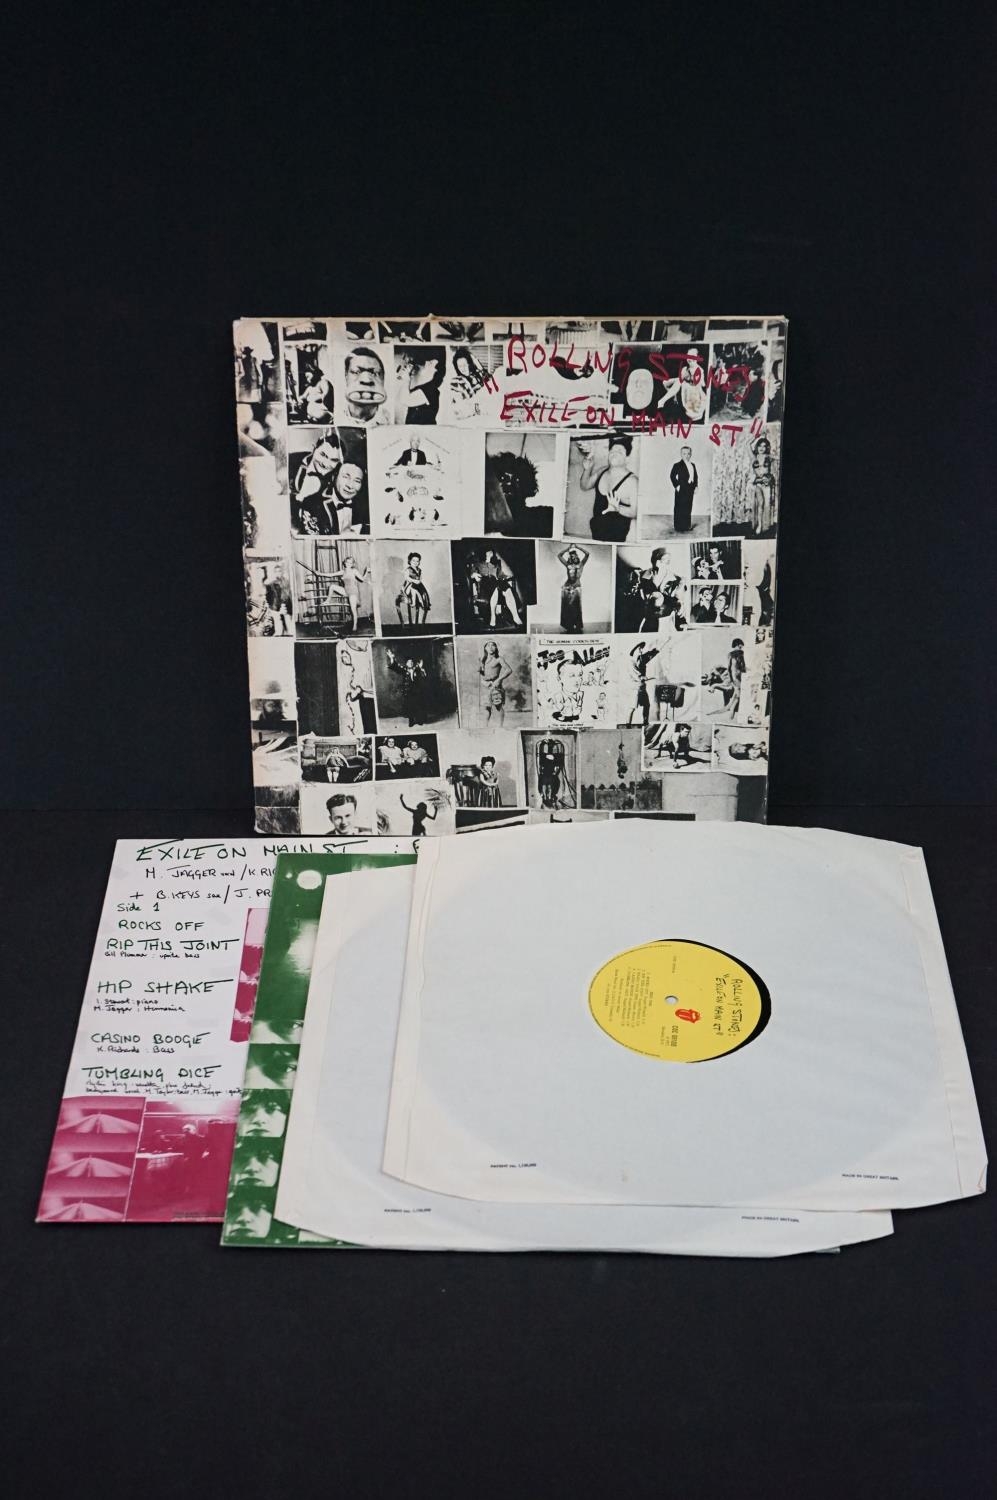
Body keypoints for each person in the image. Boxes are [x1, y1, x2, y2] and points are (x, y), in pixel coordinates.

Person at [580, 435, 637, 541]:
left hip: (616, 538)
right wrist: (587, 469)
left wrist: (618, 508)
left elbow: (636, 512)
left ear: (627, 458)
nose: (614, 453)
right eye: (612, 450)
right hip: (596, 532)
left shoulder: (632, 481)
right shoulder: (602, 471)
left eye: (620, 451)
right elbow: (585, 485)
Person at [292, 433, 342, 534]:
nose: (325, 463)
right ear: (314, 449)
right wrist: (300, 496)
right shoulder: (292, 460)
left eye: (333, 460)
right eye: (323, 455)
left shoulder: (336, 480)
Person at [311, 554, 368, 634]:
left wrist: (366, 572)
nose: (348, 564)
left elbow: (362, 579)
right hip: (345, 590)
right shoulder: (342, 571)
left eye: (350, 563)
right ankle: (328, 600)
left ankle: (355, 626)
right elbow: (331, 575)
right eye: (347, 562)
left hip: (353, 592)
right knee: (332, 586)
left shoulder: (354, 571)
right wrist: (320, 574)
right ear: (345, 563)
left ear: (352, 564)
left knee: (353, 609)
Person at [343, 348, 390, 424]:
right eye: (356, 372)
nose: (367, 380)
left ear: (383, 379)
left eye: (375, 373)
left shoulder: (390, 420)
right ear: (346, 377)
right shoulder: (336, 417)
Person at [386, 648, 429, 726]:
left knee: (418, 705)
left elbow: (423, 677)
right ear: (406, 663)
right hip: (408, 692)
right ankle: (411, 721)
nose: (411, 663)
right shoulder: (404, 670)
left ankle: (419, 720)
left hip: (417, 692)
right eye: (409, 662)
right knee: (410, 706)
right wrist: (392, 658)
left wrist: (422, 669)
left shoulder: (417, 669)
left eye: (412, 662)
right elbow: (395, 667)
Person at [484, 549, 523, 627]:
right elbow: (472, 573)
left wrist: (505, 576)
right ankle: (493, 616)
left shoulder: (496, 564)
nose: (490, 554)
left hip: (498, 583)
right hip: (487, 584)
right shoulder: (480, 564)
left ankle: (515, 616)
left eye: (491, 553)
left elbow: (502, 575)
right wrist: (474, 575)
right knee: (496, 586)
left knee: (507, 589)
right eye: (488, 553)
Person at [479, 640, 512, 726]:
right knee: (486, 708)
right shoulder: (482, 660)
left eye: (493, 645)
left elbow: (509, 670)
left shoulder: (499, 659)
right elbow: (480, 674)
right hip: (485, 687)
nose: (490, 647)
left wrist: (499, 680)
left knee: (498, 706)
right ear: (485, 648)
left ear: (496, 647)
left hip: (495, 686)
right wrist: (483, 682)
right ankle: (485, 727)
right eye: (488, 645)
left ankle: (500, 727)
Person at [628, 641, 660, 727]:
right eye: (639, 649)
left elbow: (648, 656)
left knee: (646, 705)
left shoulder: (640, 659)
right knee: (632, 707)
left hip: (642, 687)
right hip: (635, 688)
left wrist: (655, 651)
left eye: (642, 649)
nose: (641, 651)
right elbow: (641, 677)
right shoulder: (632, 663)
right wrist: (653, 677)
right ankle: (628, 725)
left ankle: (645, 723)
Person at [395, 552, 431, 628]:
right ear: (410, 561)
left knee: (422, 591)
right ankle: (414, 602)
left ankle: (422, 601)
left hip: (418, 586)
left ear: (419, 562)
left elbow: (420, 578)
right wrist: (414, 581)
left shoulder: (419, 570)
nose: (415, 562)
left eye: (417, 561)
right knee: (413, 588)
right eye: (413, 561)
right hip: (409, 586)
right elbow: (407, 578)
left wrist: (419, 581)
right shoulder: (408, 570)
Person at [558, 545, 588, 632]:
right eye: (571, 556)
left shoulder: (581, 564)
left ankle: (577, 625)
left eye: (575, 556)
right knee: (567, 607)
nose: (573, 557)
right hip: (567, 586)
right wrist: (568, 548)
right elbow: (559, 555)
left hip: (576, 587)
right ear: (570, 558)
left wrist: (577, 547)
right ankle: (568, 625)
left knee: (576, 606)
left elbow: (587, 554)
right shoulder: (568, 565)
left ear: (577, 556)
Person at [669, 445, 699, 533]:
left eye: (688, 454)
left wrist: (696, 486)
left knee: (688, 507)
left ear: (691, 455)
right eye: (684, 454)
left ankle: (686, 525)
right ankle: (678, 526)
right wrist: (677, 486)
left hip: (690, 489)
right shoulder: (677, 465)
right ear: (681, 454)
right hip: (681, 488)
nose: (686, 455)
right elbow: (672, 476)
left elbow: (695, 477)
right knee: (679, 507)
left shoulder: (693, 465)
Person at [536, 736, 567, 808]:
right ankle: (546, 797)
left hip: (550, 775)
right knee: (545, 785)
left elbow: (558, 765)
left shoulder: (554, 759)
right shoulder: (544, 758)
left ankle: (549, 797)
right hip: (546, 775)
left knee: (549, 785)